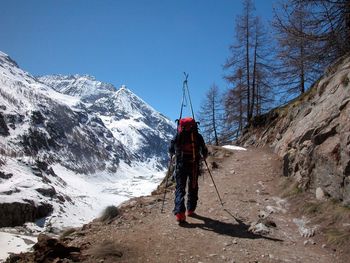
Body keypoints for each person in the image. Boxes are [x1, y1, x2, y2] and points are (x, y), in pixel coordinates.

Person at [169, 117, 208, 222]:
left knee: (180, 188)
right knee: (193, 186)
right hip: (194, 165)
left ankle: (180, 213)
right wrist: (203, 156)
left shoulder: (178, 135)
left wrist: (174, 153)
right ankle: (190, 209)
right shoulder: (198, 136)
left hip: (181, 165)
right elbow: (204, 151)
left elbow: (171, 149)